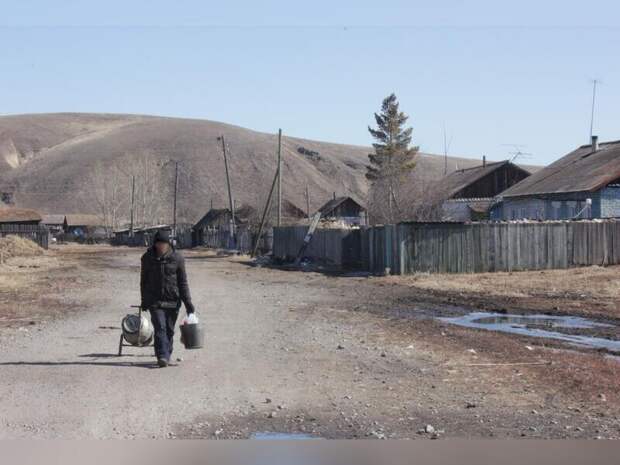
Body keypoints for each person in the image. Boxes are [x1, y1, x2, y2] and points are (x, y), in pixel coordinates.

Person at [140, 229, 195, 367]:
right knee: (160, 329)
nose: (160, 246)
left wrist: (188, 303)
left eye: (163, 243)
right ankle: (162, 356)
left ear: (168, 244)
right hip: (155, 301)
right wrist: (144, 299)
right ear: (155, 244)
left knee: (169, 330)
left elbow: (183, 282)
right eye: (158, 243)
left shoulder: (178, 259)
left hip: (172, 301)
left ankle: (167, 355)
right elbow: (144, 280)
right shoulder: (147, 258)